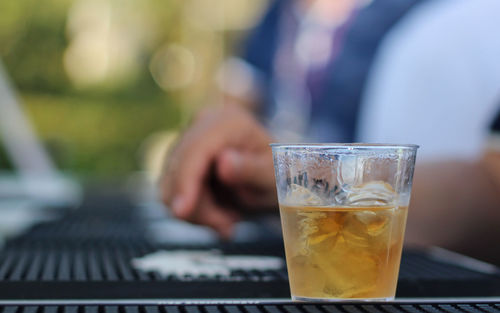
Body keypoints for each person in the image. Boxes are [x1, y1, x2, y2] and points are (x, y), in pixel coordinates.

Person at [160, 0, 500, 264]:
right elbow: (236, 98)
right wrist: (232, 154)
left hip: (369, 248)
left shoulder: (416, 15)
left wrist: (311, 180)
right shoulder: (277, 15)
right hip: (302, 228)